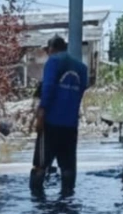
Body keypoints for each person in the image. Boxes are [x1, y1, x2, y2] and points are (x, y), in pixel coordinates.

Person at [31, 36, 88, 197]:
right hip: (70, 125)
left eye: (47, 50)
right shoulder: (82, 68)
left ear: (52, 49)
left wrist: (41, 114)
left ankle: (37, 201)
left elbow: (47, 88)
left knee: (40, 165)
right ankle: (67, 198)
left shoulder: (54, 62)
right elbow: (82, 90)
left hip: (50, 123)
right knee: (68, 167)